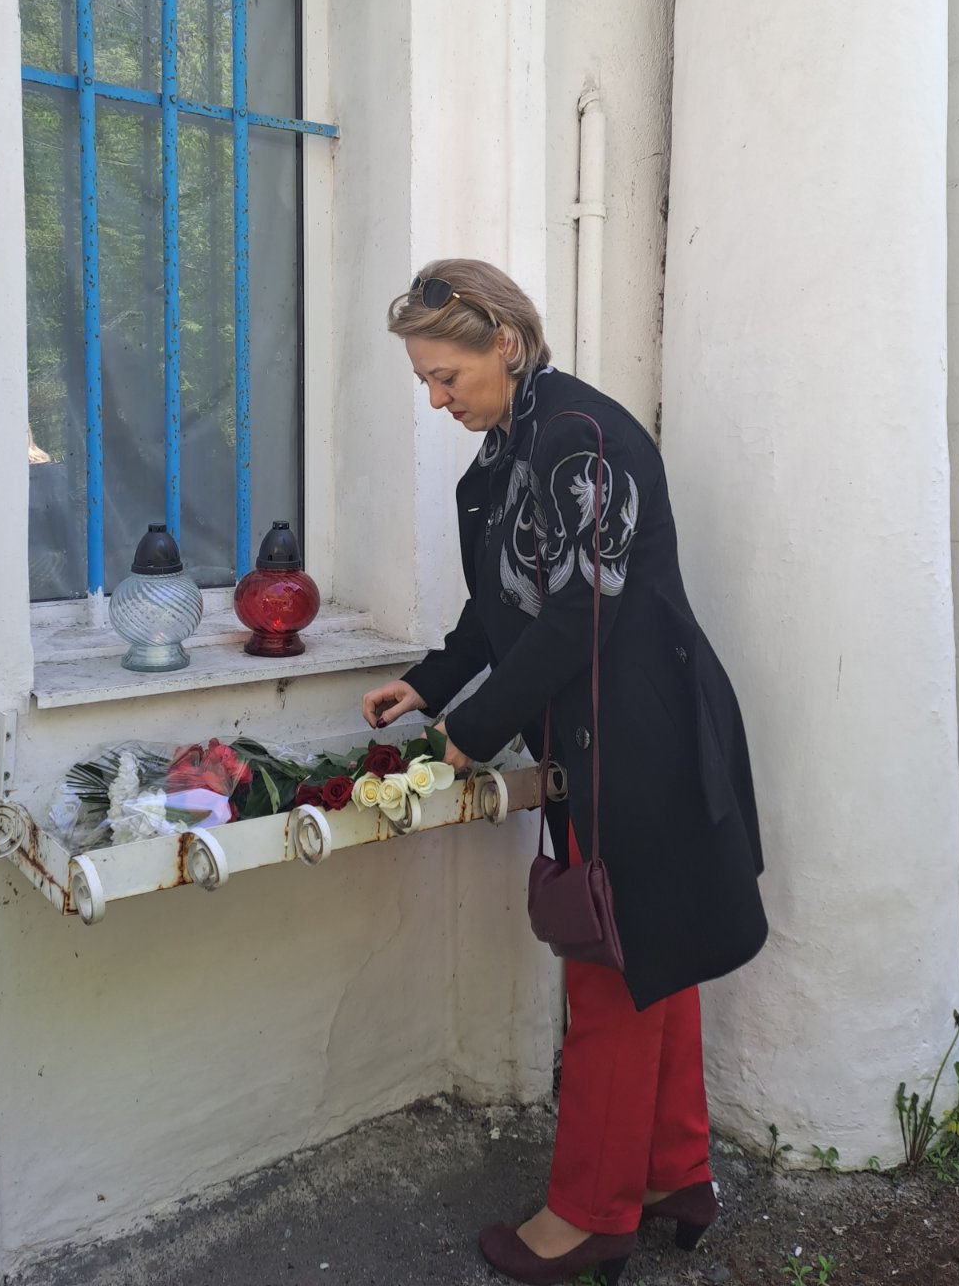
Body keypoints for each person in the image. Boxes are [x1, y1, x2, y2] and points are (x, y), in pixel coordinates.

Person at [361, 259, 767, 1286]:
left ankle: (589, 1218)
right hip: (609, 734)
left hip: (641, 740)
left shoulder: (579, 438)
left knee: (612, 972)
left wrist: (473, 729)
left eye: (446, 375)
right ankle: (675, 1175)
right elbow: (505, 602)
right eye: (425, 380)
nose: (437, 399)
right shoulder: (518, 440)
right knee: (651, 951)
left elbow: (583, 605)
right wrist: (430, 682)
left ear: (505, 341)